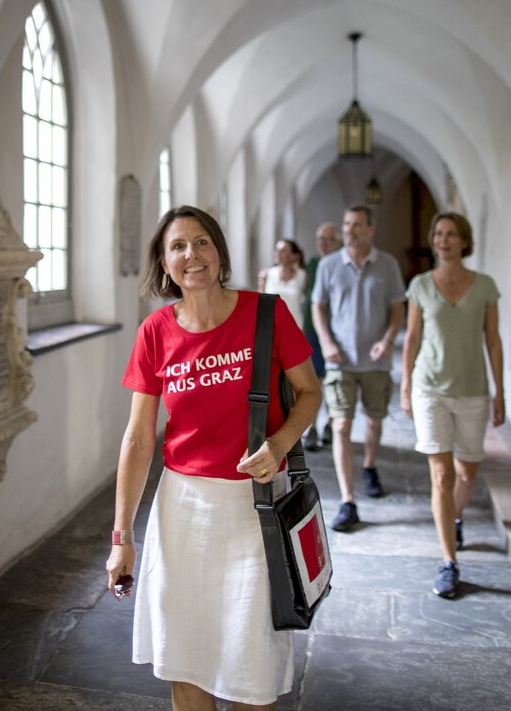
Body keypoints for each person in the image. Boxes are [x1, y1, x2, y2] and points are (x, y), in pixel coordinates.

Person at [106, 205, 322, 710]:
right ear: (164, 264)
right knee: (186, 660)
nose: (192, 255)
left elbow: (309, 392)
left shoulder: (267, 314)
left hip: (256, 508)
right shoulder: (155, 332)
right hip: (182, 512)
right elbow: (138, 440)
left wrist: (278, 444)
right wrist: (122, 538)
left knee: (252, 669)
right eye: (178, 246)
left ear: (219, 253)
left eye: (202, 242)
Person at [400, 212, 505, 599]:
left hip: (473, 390)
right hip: (430, 389)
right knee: (442, 476)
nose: (443, 240)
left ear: (464, 241)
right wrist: (406, 384)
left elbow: (493, 340)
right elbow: (412, 338)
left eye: (451, 234)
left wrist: (500, 391)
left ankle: (454, 515)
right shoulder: (421, 285)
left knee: (467, 471)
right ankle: (449, 561)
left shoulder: (485, 286)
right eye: (438, 234)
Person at [311, 205, 406, 532]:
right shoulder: (329, 265)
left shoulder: (388, 265)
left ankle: (369, 465)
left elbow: (397, 308)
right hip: (340, 361)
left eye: (356, 224)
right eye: (346, 223)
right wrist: (326, 343)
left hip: (376, 360)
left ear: (371, 229)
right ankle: (347, 500)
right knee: (340, 425)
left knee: (374, 421)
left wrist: (388, 341)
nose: (349, 229)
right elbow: (318, 307)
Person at [302, 223, 341, 451]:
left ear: (339, 242)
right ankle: (313, 428)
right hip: (312, 329)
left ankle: (332, 424)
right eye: (320, 239)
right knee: (314, 380)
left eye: (328, 239)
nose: (323, 243)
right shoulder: (312, 265)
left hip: (338, 330)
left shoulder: (343, 263)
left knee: (335, 381)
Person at [255, 238, 307, 326]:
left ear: (293, 255)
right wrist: (261, 284)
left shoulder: (302, 275)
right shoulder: (267, 274)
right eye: (276, 250)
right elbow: (261, 302)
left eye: (283, 251)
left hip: (295, 326)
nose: (277, 253)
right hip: (272, 327)